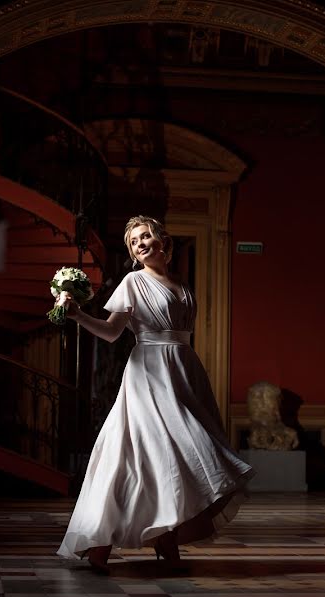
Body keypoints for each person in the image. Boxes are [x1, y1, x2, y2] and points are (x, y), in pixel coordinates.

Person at [55, 215, 253, 573]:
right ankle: (101, 541)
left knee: (173, 458)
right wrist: (77, 315)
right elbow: (113, 332)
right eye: (133, 241)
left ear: (162, 240)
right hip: (149, 371)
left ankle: (166, 535)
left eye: (146, 235)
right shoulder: (133, 281)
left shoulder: (180, 282)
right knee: (144, 452)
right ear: (132, 253)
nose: (141, 243)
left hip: (185, 370)